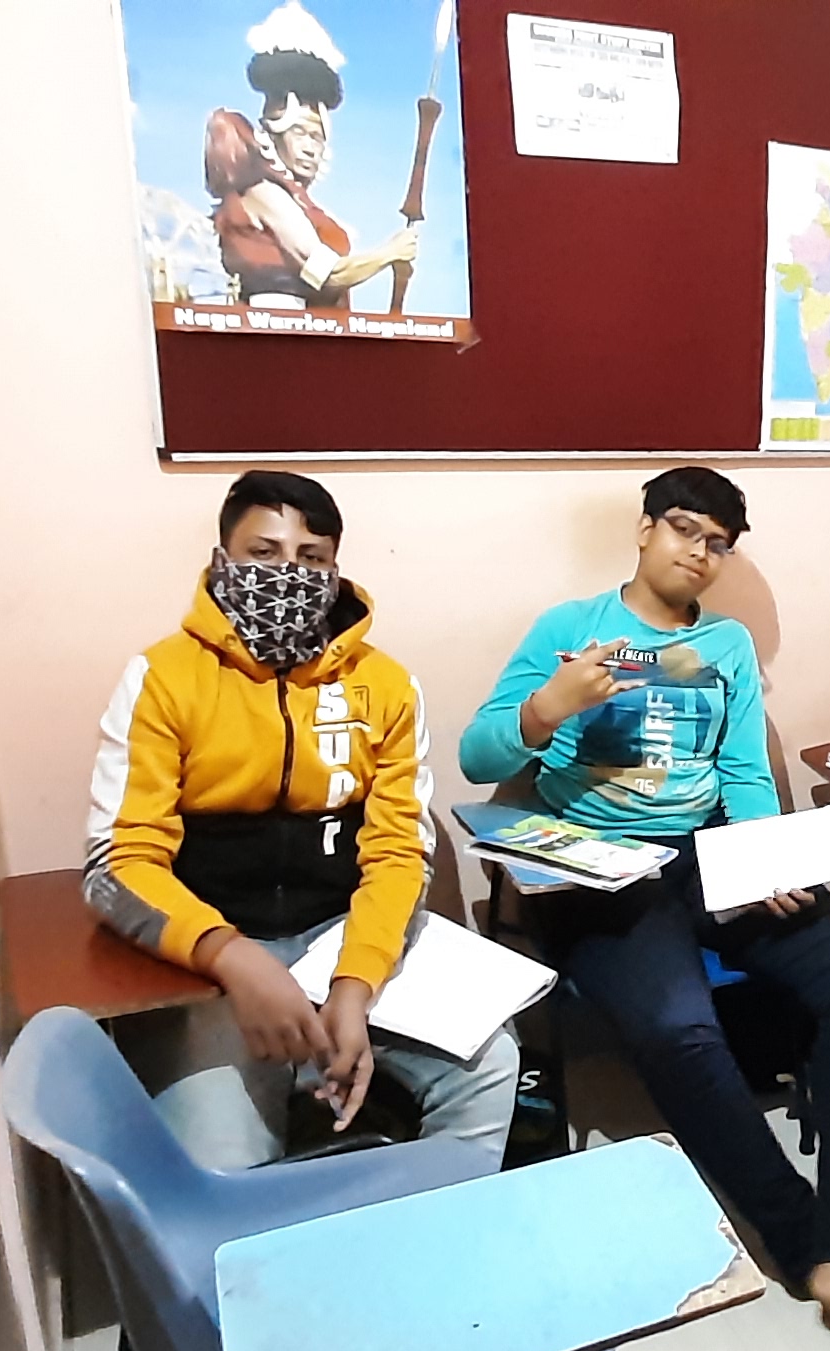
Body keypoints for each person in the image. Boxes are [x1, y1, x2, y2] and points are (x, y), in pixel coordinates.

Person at [458, 467, 830, 1351]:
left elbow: (745, 772)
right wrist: (549, 707)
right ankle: (806, 1246)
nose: (699, 553)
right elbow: (480, 757)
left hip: (708, 853)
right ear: (644, 529)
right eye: (684, 529)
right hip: (599, 868)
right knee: (679, 1025)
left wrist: (761, 855)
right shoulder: (571, 629)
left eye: (718, 543)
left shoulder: (726, 646)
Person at [84, 470, 516, 1176]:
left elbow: (400, 853)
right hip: (211, 954)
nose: (287, 574)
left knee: (491, 1066)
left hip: (341, 937)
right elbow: (118, 863)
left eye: (311, 558)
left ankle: (439, 1228)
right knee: (221, 1164)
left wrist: (356, 983)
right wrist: (233, 958)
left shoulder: (385, 685)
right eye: (263, 552)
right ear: (223, 557)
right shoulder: (161, 678)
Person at [202, 1, 418, 310]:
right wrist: (389, 253)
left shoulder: (296, 202)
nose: (309, 148)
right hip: (273, 323)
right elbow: (326, 274)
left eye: (317, 137)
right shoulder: (264, 193)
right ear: (275, 134)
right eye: (300, 134)